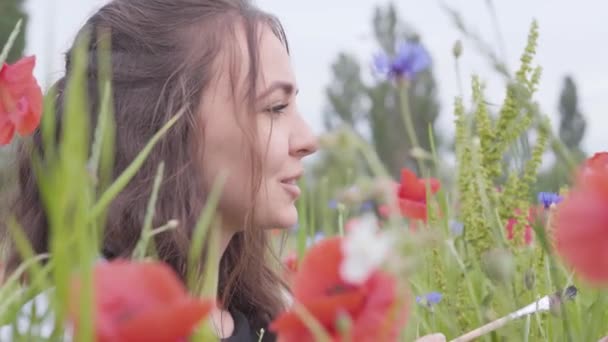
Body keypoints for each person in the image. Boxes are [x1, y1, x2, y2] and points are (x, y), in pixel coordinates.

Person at [2, 0, 445, 341]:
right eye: (275, 108)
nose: (308, 138)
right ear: (163, 129)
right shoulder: (51, 326)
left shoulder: (281, 322)